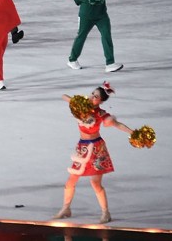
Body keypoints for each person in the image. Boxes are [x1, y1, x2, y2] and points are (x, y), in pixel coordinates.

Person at [55, 83, 134, 224]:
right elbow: (64, 96)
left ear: (101, 101)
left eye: (96, 96)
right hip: (82, 148)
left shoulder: (101, 114)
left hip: (97, 149)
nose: (92, 97)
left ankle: (106, 213)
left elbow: (117, 124)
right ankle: (66, 208)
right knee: (71, 180)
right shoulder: (81, 106)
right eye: (92, 93)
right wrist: (76, 101)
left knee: (95, 183)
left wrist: (132, 132)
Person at [67, 0, 122, 73]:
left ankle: (110, 63)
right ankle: (72, 60)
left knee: (106, 36)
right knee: (81, 36)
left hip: (102, 15)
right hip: (86, 16)